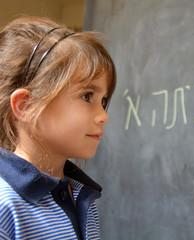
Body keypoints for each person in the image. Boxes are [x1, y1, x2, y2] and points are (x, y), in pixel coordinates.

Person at [0, 16, 116, 239]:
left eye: (103, 100)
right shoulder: (6, 205)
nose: (103, 116)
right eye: (87, 96)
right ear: (26, 106)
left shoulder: (83, 196)